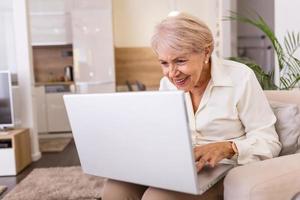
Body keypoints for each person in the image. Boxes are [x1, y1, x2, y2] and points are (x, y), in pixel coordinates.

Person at [102, 12, 282, 200]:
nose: (172, 73)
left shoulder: (240, 78)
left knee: (157, 198)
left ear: (206, 51)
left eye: (180, 61)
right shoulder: (167, 84)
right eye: (164, 63)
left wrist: (228, 147)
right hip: (179, 167)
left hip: (222, 169)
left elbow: (269, 142)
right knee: (115, 189)